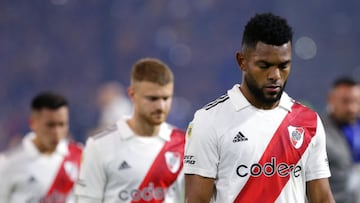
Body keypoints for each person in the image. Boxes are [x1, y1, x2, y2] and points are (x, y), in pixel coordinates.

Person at [183, 13, 335, 203]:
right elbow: (197, 200)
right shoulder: (209, 120)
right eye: (264, 66)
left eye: (283, 66)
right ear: (242, 61)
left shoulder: (308, 122)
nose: (275, 75)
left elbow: (322, 199)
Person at [74, 57, 186, 203]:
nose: (161, 107)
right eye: (152, 99)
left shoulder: (184, 144)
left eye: (166, 98)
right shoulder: (99, 147)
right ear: (132, 95)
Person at [0, 91, 83, 203]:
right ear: (33, 123)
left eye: (62, 124)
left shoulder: (81, 157)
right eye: (50, 125)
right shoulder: (9, 164)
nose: (57, 132)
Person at [321, 77, 360, 203]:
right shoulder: (317, 131)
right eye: (345, 101)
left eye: (357, 102)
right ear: (331, 99)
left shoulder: (356, 128)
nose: (352, 108)